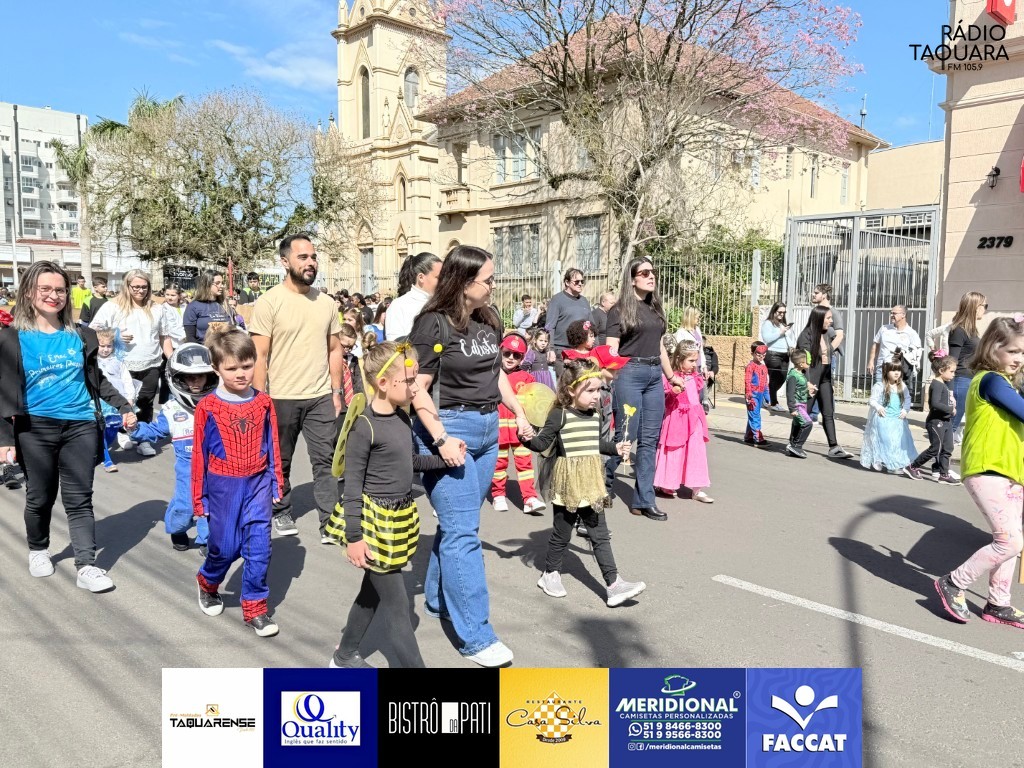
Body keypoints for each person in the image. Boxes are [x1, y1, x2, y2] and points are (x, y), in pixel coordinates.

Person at [407, 245, 534, 668]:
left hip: (487, 430)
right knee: (463, 533)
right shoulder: (432, 323)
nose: (494, 285)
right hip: (449, 430)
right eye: (488, 279)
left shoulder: (488, 319)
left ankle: (438, 600)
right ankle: (476, 636)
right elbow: (417, 388)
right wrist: (441, 438)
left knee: (459, 525)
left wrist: (518, 412)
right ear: (463, 282)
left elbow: (496, 374)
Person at [0, 261, 137, 592]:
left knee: (80, 498)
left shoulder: (80, 335)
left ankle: (86, 566)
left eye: (60, 290)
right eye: (45, 289)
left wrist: (123, 405)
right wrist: (4, 438)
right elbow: (1, 390)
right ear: (28, 292)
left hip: (80, 425)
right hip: (34, 428)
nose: (54, 295)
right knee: (40, 497)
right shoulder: (11, 338)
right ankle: (38, 549)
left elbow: (95, 380)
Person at [327, 342, 451, 668]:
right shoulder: (364, 427)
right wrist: (354, 538)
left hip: (398, 519)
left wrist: (445, 460)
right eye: (408, 381)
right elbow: (352, 487)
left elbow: (409, 462)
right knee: (397, 608)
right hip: (373, 525)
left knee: (372, 592)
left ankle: (344, 655)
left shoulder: (402, 417)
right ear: (383, 383)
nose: (415, 388)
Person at [522, 358, 645, 606]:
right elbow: (542, 444)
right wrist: (525, 438)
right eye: (590, 390)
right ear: (571, 391)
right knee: (562, 533)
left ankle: (613, 584)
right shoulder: (560, 414)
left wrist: (615, 448)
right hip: (568, 483)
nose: (596, 396)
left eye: (598, 390)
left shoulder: (594, 415)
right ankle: (550, 574)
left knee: (600, 534)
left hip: (591, 481)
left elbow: (594, 444)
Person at [250, 234, 345, 540]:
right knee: (281, 460)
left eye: (313, 257)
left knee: (326, 460)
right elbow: (259, 355)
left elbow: (335, 349)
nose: (311, 262)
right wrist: (259, 399)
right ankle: (281, 510)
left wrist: (336, 391)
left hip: (320, 396)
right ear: (285, 261)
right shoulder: (269, 302)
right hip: (280, 397)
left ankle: (330, 522)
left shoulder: (327, 303)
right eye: (303, 257)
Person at [934, 315, 1024, 629]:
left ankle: (998, 603)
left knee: (1012, 539)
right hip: (988, 469)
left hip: (1009, 471)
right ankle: (954, 582)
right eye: (1012, 351)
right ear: (992, 348)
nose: (1019, 358)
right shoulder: (991, 380)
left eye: (1022, 352)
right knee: (1010, 541)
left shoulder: (1005, 383)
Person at [193, 329, 284, 637]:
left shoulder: (264, 402)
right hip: (223, 486)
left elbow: (273, 443)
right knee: (225, 548)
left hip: (258, 483)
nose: (241, 373)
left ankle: (255, 607)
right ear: (216, 368)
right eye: (232, 368)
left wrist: (276, 481)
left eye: (247, 365)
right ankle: (208, 582)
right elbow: (199, 456)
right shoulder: (207, 407)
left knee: (260, 547)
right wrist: (199, 498)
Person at [606, 258, 681, 522]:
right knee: (626, 435)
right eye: (645, 272)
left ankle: (644, 500)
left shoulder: (654, 308)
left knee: (649, 440)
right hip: (629, 373)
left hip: (653, 376)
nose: (651, 276)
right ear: (632, 278)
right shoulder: (618, 311)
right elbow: (611, 349)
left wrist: (671, 376)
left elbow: (659, 346)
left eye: (653, 272)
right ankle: (602, 484)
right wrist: (607, 378)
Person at [129, 343, 219, 554]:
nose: (195, 382)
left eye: (200, 376)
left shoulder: (219, 404)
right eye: (189, 377)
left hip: (216, 469)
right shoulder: (172, 409)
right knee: (184, 506)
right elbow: (155, 431)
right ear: (178, 378)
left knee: (212, 507)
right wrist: (134, 428)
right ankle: (178, 531)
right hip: (187, 471)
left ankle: (206, 540)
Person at [89, 268, 172, 456]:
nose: (140, 290)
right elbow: (94, 330)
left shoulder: (157, 308)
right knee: (124, 400)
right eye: (135, 287)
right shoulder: (112, 306)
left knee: (145, 402)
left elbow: (164, 336)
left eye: (144, 287)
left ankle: (143, 438)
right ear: (127, 286)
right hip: (122, 364)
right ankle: (122, 431)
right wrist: (115, 334)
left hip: (151, 362)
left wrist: (173, 359)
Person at [654, 339, 712, 502]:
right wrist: (673, 391)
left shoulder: (695, 377)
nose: (694, 365)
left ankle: (697, 487)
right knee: (675, 450)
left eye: (696, 361)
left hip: (694, 420)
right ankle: (668, 483)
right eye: (691, 361)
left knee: (696, 452)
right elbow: (666, 402)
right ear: (679, 359)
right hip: (676, 419)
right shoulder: (671, 377)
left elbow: (697, 397)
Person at [491, 333, 544, 514]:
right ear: (500, 351)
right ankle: (498, 495)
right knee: (499, 465)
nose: (511, 358)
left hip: (520, 432)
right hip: (497, 432)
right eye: (507, 353)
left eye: (517, 355)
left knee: (525, 465)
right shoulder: (492, 375)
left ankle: (529, 498)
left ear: (522, 358)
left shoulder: (527, 378)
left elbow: (535, 405)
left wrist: (533, 427)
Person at [796, 306, 854, 459]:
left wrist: (831, 382)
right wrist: (806, 382)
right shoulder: (805, 336)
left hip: (825, 379)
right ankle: (794, 444)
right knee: (805, 413)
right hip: (811, 379)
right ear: (819, 319)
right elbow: (803, 363)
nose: (831, 321)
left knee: (828, 413)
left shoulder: (827, 333)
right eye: (828, 318)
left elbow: (828, 359)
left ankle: (834, 447)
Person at [905, 351, 959, 484]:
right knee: (935, 448)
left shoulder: (943, 384)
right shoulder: (936, 384)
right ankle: (913, 467)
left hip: (945, 421)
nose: (953, 374)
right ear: (941, 370)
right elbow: (935, 404)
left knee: (947, 448)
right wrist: (950, 409)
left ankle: (944, 474)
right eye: (951, 371)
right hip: (936, 422)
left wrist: (951, 408)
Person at [860, 352, 917, 474]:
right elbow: (872, 400)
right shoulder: (880, 386)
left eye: (898, 370)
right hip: (884, 419)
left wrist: (905, 410)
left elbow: (907, 399)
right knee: (888, 442)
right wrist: (878, 407)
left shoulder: (902, 386)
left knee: (898, 443)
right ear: (886, 371)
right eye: (893, 370)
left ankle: (895, 464)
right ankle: (890, 465)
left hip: (898, 420)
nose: (896, 373)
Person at [95, 327, 139, 473]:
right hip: (99, 402)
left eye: (109, 346)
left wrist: (129, 398)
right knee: (101, 429)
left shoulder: (118, 361)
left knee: (113, 429)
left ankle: (101, 449)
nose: (105, 349)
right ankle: (106, 458)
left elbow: (127, 380)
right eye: (102, 346)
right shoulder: (93, 361)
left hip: (118, 401)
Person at [947, 291, 987, 444]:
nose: (985, 309)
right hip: (960, 381)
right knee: (950, 426)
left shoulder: (972, 330)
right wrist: (950, 390)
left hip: (970, 380)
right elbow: (952, 361)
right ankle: (939, 456)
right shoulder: (959, 330)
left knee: (954, 427)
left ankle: (943, 456)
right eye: (985, 306)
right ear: (975, 307)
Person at [545, 269, 592, 376]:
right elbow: (549, 326)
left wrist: (595, 349)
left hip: (582, 350)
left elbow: (591, 326)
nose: (580, 284)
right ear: (567, 282)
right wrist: (550, 349)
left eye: (582, 281)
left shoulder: (584, 301)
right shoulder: (557, 300)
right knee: (565, 384)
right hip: (563, 351)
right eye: (576, 281)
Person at [388, 253, 443, 343]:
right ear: (421, 277)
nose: (443, 282)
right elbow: (394, 343)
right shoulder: (399, 305)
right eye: (438, 277)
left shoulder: (443, 303)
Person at [868, 305, 923, 386]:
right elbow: (876, 344)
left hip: (899, 371)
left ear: (903, 315)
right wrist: (871, 361)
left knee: (897, 393)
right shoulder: (884, 328)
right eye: (891, 313)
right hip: (882, 368)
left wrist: (902, 354)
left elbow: (916, 352)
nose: (891, 315)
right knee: (879, 391)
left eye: (894, 313)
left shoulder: (911, 333)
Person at [182, 269, 233, 344]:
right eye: (217, 283)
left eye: (222, 283)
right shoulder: (193, 307)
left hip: (225, 348)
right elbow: (190, 338)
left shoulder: (225, 305)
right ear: (207, 284)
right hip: (203, 348)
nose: (222, 286)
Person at [760, 302, 792, 410]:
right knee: (774, 378)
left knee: (782, 378)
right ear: (774, 311)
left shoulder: (782, 324)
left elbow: (788, 338)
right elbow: (767, 339)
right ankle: (773, 403)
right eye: (779, 312)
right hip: (773, 354)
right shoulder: (768, 323)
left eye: (784, 312)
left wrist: (792, 346)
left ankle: (766, 396)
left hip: (785, 354)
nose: (782, 314)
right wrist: (780, 332)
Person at [784, 348, 816, 459]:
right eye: (807, 361)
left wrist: (808, 394)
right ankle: (796, 446)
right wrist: (792, 408)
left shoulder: (800, 373)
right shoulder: (793, 375)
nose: (809, 363)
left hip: (802, 403)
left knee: (797, 425)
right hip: (797, 405)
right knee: (807, 423)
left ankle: (792, 444)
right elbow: (790, 393)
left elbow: (800, 389)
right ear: (801, 364)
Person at [744, 342, 771, 446]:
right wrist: (749, 395)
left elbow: (765, 383)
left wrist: (767, 397)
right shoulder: (750, 367)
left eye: (763, 355)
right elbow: (747, 381)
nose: (761, 356)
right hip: (752, 395)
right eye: (758, 354)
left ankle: (749, 436)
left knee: (753, 415)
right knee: (755, 416)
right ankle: (758, 438)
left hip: (760, 395)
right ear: (752, 353)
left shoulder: (764, 367)